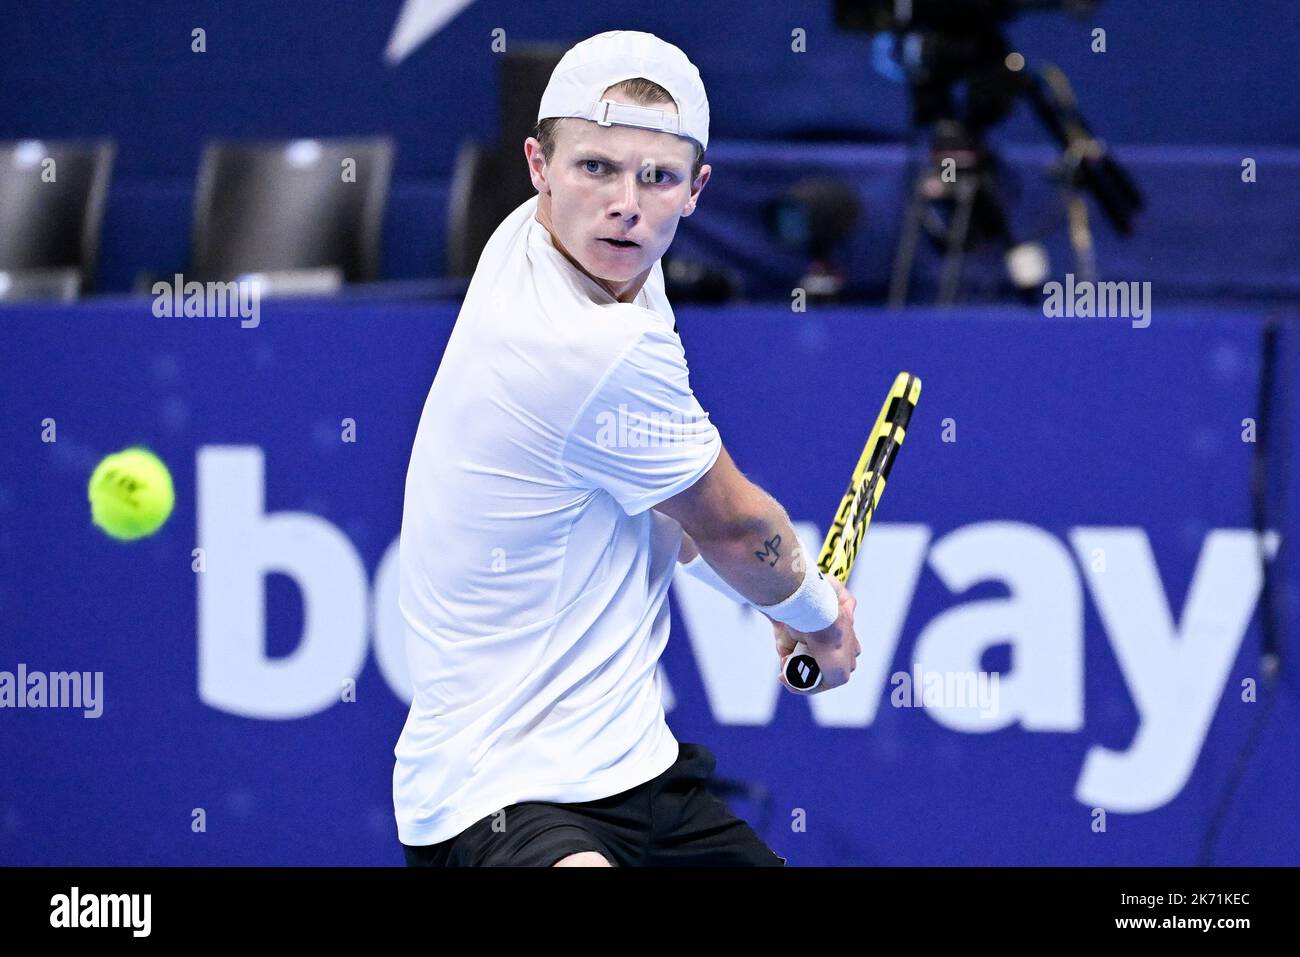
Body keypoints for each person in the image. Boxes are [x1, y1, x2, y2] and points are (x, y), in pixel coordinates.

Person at [394, 30, 860, 867]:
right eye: (596, 168)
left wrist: (768, 596)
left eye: (657, 178)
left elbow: (680, 525)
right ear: (538, 165)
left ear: (695, 190)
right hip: (497, 795)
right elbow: (728, 525)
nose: (626, 203)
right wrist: (818, 616)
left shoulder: (578, 252)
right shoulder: (582, 343)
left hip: (638, 773)